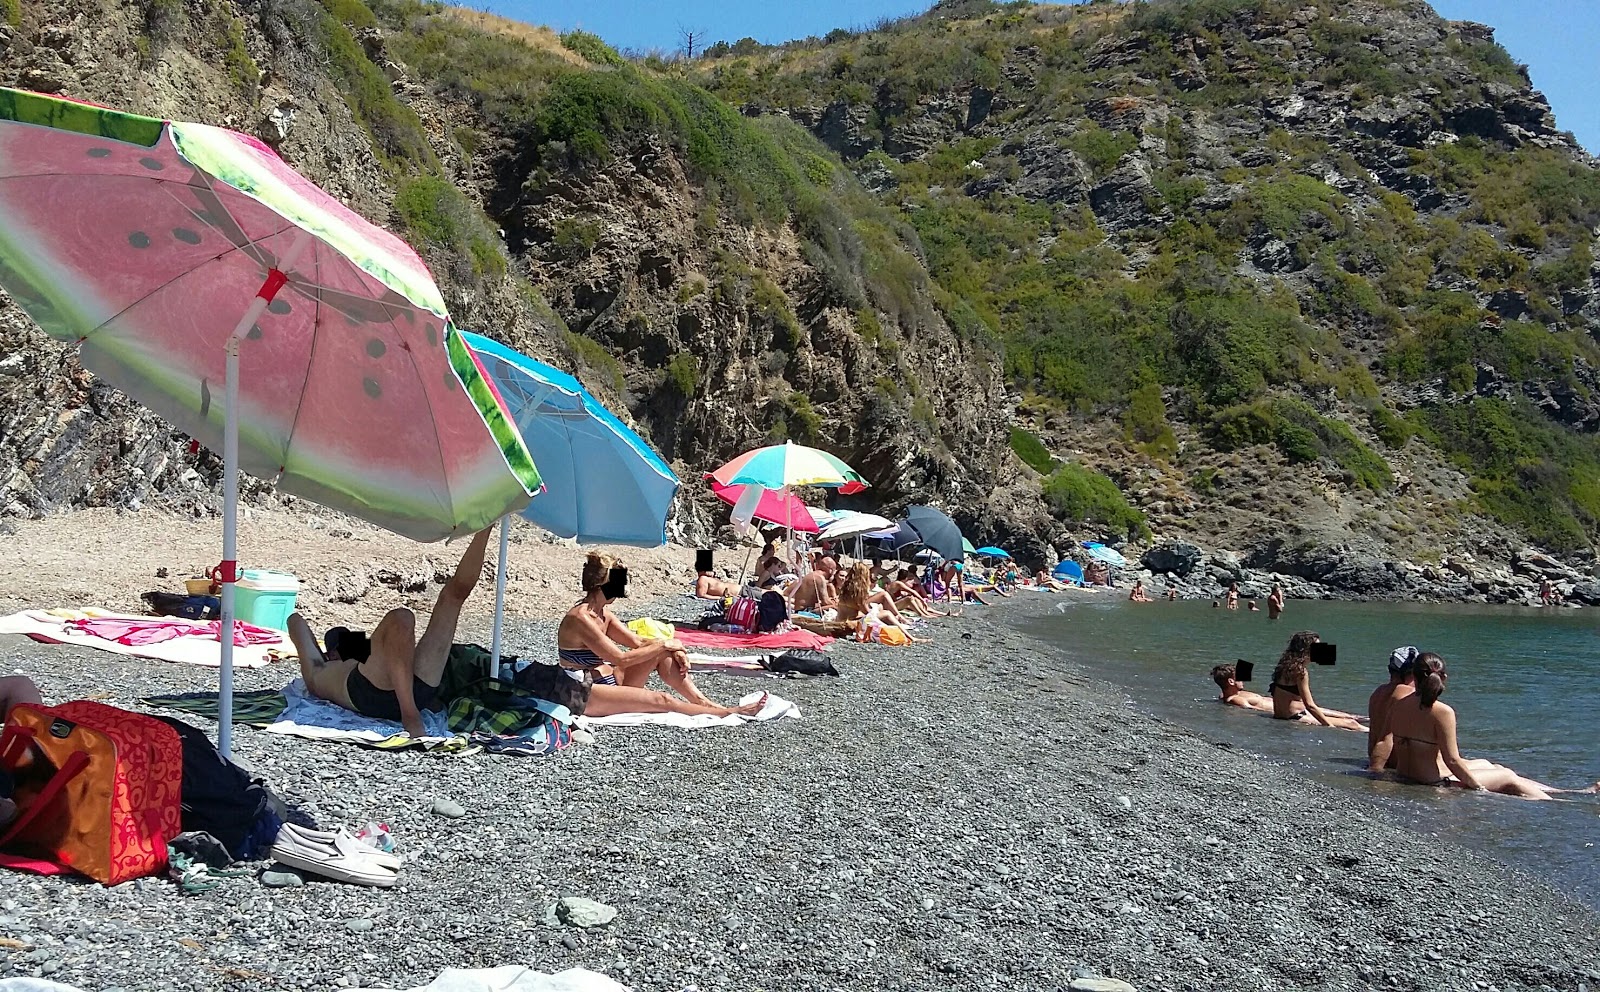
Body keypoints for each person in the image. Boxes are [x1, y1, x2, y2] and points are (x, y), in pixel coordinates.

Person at [289, 527, 496, 737]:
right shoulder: (320, 669)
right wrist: (329, 648)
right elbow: (295, 622)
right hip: (374, 695)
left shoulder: (354, 660)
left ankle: (486, 529)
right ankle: (410, 715)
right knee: (402, 618)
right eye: (344, 646)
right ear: (332, 653)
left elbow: (298, 623)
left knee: (452, 597)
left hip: (415, 687)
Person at [533, 553, 764, 719]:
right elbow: (621, 659)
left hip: (610, 679)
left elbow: (638, 642)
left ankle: (702, 701)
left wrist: (675, 648)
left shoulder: (604, 613)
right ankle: (725, 712)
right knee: (661, 700)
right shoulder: (580, 618)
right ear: (604, 583)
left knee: (663, 654)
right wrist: (667, 643)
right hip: (582, 691)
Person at [1374, 653, 1598, 799]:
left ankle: (1564, 792)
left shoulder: (1398, 704)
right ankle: (1557, 804)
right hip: (1432, 782)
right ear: (1443, 678)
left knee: (1490, 764)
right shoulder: (1442, 712)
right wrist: (1477, 788)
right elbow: (1452, 760)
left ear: (1415, 676)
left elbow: (1386, 741)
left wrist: (1375, 771)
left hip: (1408, 774)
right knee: (1508, 776)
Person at [1267, 630, 1366, 732]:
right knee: (1352, 724)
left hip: (1283, 715)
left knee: (1348, 718)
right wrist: (1329, 726)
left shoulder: (1284, 666)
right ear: (1306, 650)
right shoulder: (1300, 672)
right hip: (1295, 717)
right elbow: (1310, 706)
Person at [1211, 663, 1366, 724]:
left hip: (1299, 706)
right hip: (1293, 712)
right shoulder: (1236, 699)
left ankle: (1370, 721)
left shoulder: (1228, 695)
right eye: (1239, 677)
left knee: (1350, 716)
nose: (1243, 679)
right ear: (1231, 682)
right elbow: (1253, 712)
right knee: (1350, 723)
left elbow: (1223, 696)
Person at [837, 563, 923, 641]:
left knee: (882, 603)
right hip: (850, 623)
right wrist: (877, 609)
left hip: (840, 620)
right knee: (887, 613)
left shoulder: (846, 587)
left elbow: (855, 606)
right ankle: (911, 637)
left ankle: (901, 623)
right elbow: (867, 612)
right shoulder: (858, 592)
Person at [1366, 645, 1417, 767]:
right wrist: (1375, 773)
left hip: (1378, 757)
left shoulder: (1378, 692)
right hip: (1394, 764)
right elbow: (1387, 738)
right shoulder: (1405, 692)